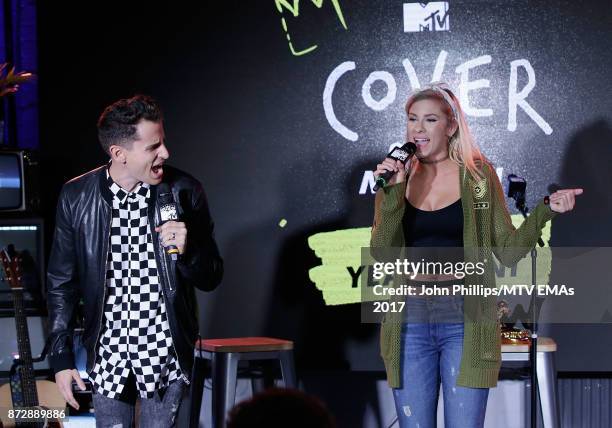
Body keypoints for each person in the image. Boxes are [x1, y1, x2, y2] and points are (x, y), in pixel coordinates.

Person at [371, 82, 582, 428]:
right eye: (412, 119)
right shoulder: (396, 178)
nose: (418, 129)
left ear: (451, 126)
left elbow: (510, 252)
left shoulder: (478, 176)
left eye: (430, 120)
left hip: (465, 317)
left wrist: (546, 210)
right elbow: (382, 255)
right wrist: (393, 194)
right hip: (409, 317)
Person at [46, 95, 223, 427]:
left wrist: (189, 251)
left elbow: (212, 276)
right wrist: (61, 358)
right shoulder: (77, 197)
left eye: (163, 142)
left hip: (164, 353)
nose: (165, 153)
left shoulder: (185, 191)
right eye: (153, 146)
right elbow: (61, 284)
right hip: (108, 355)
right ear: (119, 154)